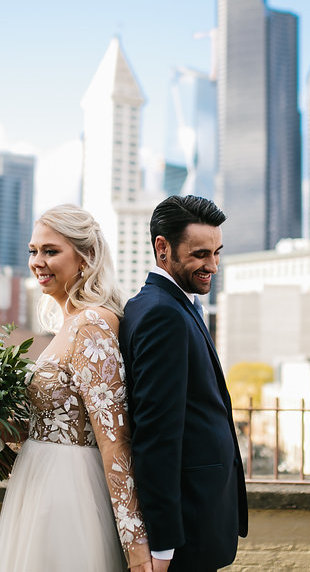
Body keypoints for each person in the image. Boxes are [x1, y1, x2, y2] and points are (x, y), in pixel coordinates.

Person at [0, 204, 152, 572]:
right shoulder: (65, 326)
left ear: (86, 257)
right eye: (33, 251)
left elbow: (114, 437)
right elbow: (51, 422)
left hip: (69, 496)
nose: (38, 262)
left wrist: (136, 544)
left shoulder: (92, 324)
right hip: (34, 489)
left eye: (51, 251)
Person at [120, 195, 248, 571]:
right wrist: (162, 547)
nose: (213, 265)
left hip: (199, 518)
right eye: (200, 254)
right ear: (163, 247)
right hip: (184, 534)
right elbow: (157, 436)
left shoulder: (175, 304)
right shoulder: (163, 314)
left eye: (217, 253)